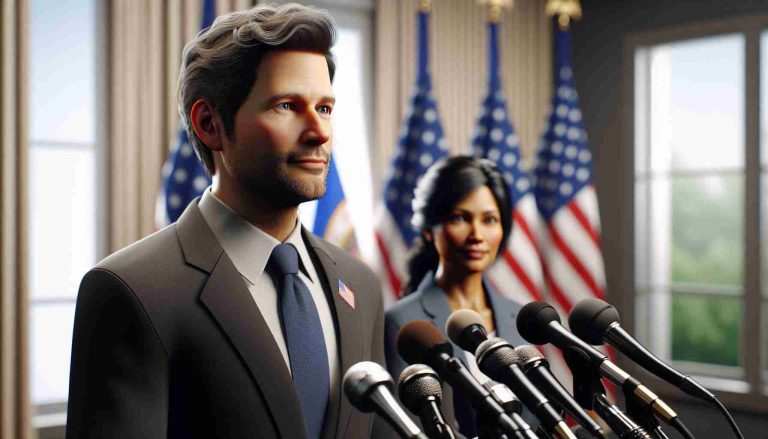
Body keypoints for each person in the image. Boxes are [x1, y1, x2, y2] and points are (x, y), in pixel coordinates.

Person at [66, 4, 384, 438]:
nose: (319, 132)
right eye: (288, 105)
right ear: (209, 123)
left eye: (325, 108)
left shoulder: (360, 285)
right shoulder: (131, 289)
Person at [384, 156, 532, 437]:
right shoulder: (403, 322)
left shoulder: (520, 318)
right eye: (460, 218)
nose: (477, 234)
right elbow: (406, 427)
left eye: (489, 220)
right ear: (430, 229)